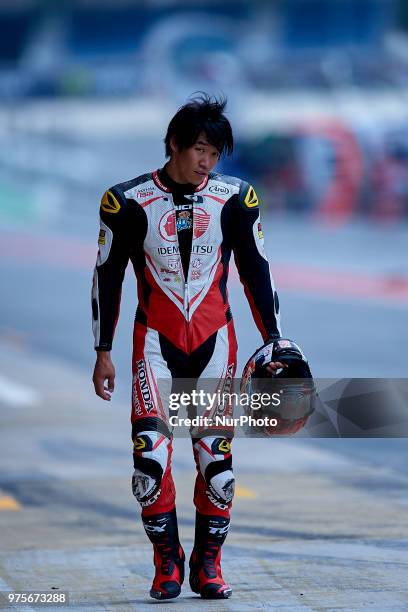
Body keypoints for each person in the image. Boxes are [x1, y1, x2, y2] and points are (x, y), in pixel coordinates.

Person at [91, 93, 284, 600]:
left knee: (217, 467)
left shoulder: (236, 198)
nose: (207, 162)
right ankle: (167, 563)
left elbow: (256, 272)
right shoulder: (125, 201)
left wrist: (275, 340)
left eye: (215, 153)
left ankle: (208, 565)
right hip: (153, 343)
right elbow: (106, 278)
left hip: (216, 345)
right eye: (200, 149)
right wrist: (102, 350)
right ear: (174, 144)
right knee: (148, 465)